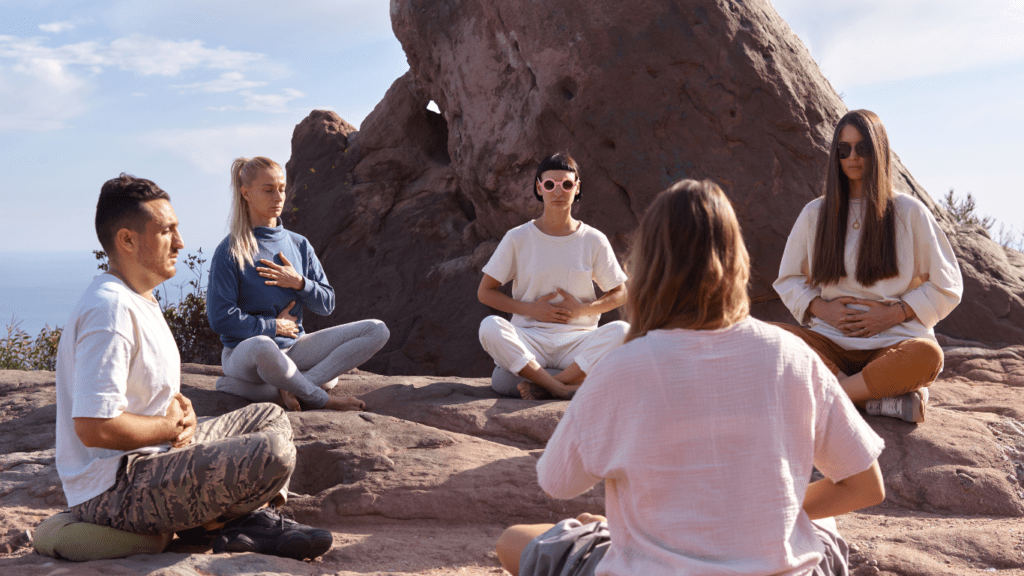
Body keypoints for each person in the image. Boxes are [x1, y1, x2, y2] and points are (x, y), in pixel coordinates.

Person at [495, 179, 886, 576]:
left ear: (648, 265)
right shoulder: (792, 354)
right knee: (822, 524)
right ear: (736, 260)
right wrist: (768, 515)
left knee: (517, 539)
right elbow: (866, 486)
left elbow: (558, 482)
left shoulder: (621, 367)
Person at [54, 174, 332, 560]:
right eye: (167, 231)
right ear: (127, 240)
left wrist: (178, 409)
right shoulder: (110, 311)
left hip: (154, 462)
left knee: (269, 417)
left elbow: (141, 393)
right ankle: (236, 522)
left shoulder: (137, 300)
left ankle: (235, 522)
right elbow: (93, 426)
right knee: (271, 452)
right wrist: (168, 427)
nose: (180, 243)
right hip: (114, 492)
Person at [773, 110, 962, 423]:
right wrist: (822, 309)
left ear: (879, 151)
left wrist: (893, 314)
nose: (852, 157)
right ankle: (873, 401)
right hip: (830, 343)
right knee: (768, 339)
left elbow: (947, 283)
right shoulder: (815, 214)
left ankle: (831, 397)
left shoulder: (908, 212)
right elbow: (788, 279)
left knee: (928, 356)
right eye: (843, 150)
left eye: (862, 148)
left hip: (892, 343)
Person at [207, 156, 389, 412]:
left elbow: (327, 304)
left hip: (294, 348)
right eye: (269, 190)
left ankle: (288, 387)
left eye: (282, 188)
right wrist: (272, 326)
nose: (279, 197)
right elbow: (219, 318)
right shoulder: (230, 250)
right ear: (246, 193)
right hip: (246, 355)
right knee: (264, 344)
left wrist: (299, 283)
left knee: (377, 330)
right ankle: (319, 395)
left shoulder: (299, 244)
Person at [478, 152, 629, 400]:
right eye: (550, 185)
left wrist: (583, 310)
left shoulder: (594, 239)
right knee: (489, 327)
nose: (558, 191)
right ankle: (562, 388)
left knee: (623, 331)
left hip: (578, 343)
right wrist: (531, 310)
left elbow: (620, 293)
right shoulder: (517, 238)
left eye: (566, 184)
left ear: (577, 186)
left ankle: (547, 383)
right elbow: (485, 292)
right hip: (529, 339)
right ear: (540, 188)